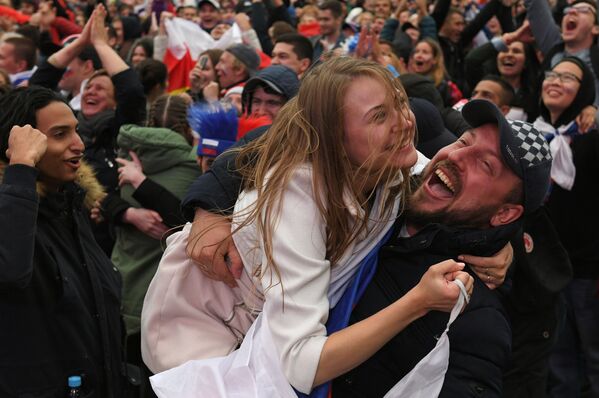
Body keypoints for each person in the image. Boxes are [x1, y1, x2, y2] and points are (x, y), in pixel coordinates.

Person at [141, 57, 473, 394]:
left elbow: (446, 191)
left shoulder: (389, 157)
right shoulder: (297, 196)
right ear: (335, 140)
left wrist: (499, 245)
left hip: (258, 332)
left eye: (400, 102)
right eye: (378, 116)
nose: (403, 122)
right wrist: (418, 302)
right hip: (200, 339)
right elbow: (304, 365)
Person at [333, 99, 552, 397]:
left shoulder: (472, 318)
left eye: (485, 164)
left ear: (504, 215)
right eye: (463, 140)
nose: (458, 156)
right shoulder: (377, 190)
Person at [0, 85, 125, 397]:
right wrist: (21, 172)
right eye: (59, 135)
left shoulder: (69, 204)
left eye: (76, 131)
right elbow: (10, 272)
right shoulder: (13, 207)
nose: (79, 145)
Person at [532, 56, 599, 398]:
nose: (556, 81)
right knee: (559, 366)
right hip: (546, 271)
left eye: (569, 78)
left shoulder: (593, 136)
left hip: (588, 272)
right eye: (552, 74)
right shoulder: (532, 134)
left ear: (585, 91)